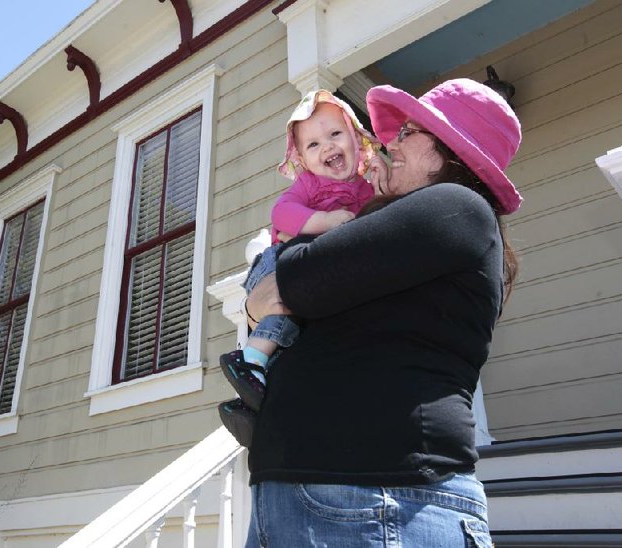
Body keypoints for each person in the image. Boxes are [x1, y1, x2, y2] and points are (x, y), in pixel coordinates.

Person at [237, 78, 523, 547]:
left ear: (450, 150)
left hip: (381, 501)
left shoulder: (458, 207)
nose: (391, 142)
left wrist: (275, 281)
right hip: (318, 496)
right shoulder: (410, 227)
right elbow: (276, 295)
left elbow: (301, 279)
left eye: (409, 132)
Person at [218, 90, 381, 428]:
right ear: (303, 162)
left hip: (313, 269)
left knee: (293, 336)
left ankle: (249, 401)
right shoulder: (309, 184)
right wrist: (324, 222)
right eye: (314, 145)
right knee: (284, 314)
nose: (328, 147)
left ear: (355, 138)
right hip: (277, 261)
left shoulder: (365, 191)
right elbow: (282, 212)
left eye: (335, 134)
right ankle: (249, 362)